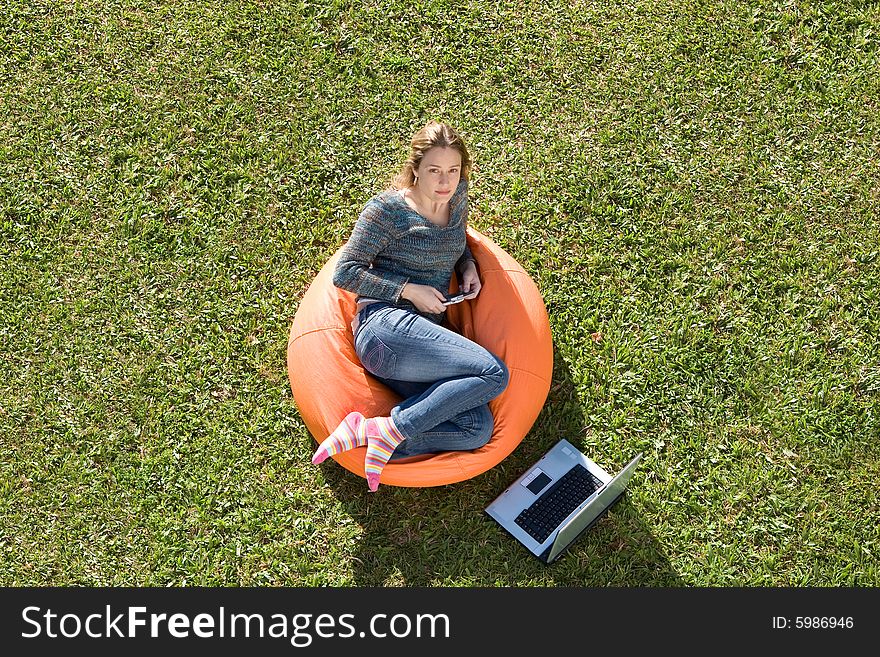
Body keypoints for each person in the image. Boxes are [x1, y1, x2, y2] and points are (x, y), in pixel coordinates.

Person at [311, 121, 510, 492]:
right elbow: (346, 273)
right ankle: (392, 428)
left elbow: (457, 240)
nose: (444, 182)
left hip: (425, 345)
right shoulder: (387, 211)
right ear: (416, 168)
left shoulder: (456, 197)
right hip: (386, 328)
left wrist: (467, 265)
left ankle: (367, 436)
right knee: (493, 374)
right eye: (434, 171)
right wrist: (409, 290)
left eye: (453, 171)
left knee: (476, 428)